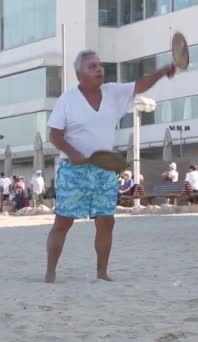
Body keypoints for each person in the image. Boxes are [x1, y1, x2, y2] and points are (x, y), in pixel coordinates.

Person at [44, 49, 175, 283]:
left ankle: (102, 272)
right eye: (92, 66)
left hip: (104, 168)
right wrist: (73, 153)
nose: (99, 69)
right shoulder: (67, 100)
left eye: (100, 65)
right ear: (79, 74)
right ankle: (50, 272)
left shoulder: (113, 92)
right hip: (74, 171)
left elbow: (139, 85)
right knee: (63, 222)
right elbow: (54, 134)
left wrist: (161, 73)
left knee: (107, 221)